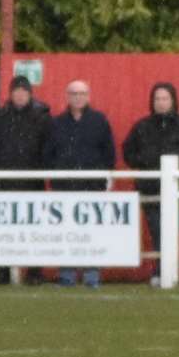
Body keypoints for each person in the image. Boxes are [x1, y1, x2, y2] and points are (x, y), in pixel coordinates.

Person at [121, 82, 179, 285]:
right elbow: (128, 153)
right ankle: (162, 272)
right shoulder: (142, 127)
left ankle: (163, 272)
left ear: (173, 100)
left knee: (171, 231)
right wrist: (146, 160)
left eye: (165, 98)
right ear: (152, 102)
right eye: (157, 99)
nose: (161, 103)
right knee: (157, 230)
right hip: (150, 189)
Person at [43, 80, 116, 288]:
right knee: (66, 233)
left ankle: (92, 275)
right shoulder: (56, 123)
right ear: (67, 96)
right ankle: (66, 275)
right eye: (74, 93)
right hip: (64, 188)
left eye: (82, 93)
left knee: (92, 233)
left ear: (88, 96)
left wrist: (102, 178)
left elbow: (109, 153)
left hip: (92, 187)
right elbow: (48, 154)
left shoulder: (99, 121)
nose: (78, 97)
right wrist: (56, 177)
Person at [0, 74, 52, 284]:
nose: (20, 95)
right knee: (4, 229)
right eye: (16, 91)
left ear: (30, 94)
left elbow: (49, 148)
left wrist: (41, 169)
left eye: (24, 91)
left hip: (33, 183)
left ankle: (34, 273)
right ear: (10, 94)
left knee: (34, 229)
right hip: (5, 182)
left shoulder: (42, 117)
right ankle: (3, 271)